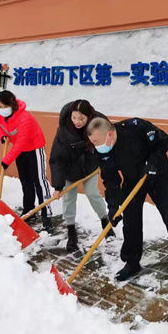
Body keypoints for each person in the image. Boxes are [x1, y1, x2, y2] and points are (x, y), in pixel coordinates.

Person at [87, 116, 168, 281]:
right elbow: (111, 180)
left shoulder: (135, 127)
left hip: (158, 175)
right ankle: (132, 262)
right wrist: (113, 206)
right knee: (131, 222)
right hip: (132, 181)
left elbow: (163, 140)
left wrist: (152, 162)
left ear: (109, 134)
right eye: (93, 142)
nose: (96, 146)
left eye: (97, 141)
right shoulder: (102, 152)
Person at [50, 100, 115, 252]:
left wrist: (104, 162)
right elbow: (57, 159)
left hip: (90, 167)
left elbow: (109, 143)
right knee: (69, 198)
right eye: (74, 117)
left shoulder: (98, 125)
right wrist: (58, 186)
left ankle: (105, 222)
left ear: (89, 117)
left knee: (92, 193)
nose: (77, 122)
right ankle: (71, 232)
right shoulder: (64, 130)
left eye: (81, 119)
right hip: (69, 169)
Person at [0, 90, 53, 231]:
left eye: (4, 106)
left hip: (34, 149)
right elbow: (2, 128)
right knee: (25, 181)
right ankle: (29, 210)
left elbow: (22, 141)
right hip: (20, 151)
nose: (1, 110)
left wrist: (7, 160)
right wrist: (3, 136)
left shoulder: (25, 118)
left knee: (39, 181)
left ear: (12, 104)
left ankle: (46, 215)